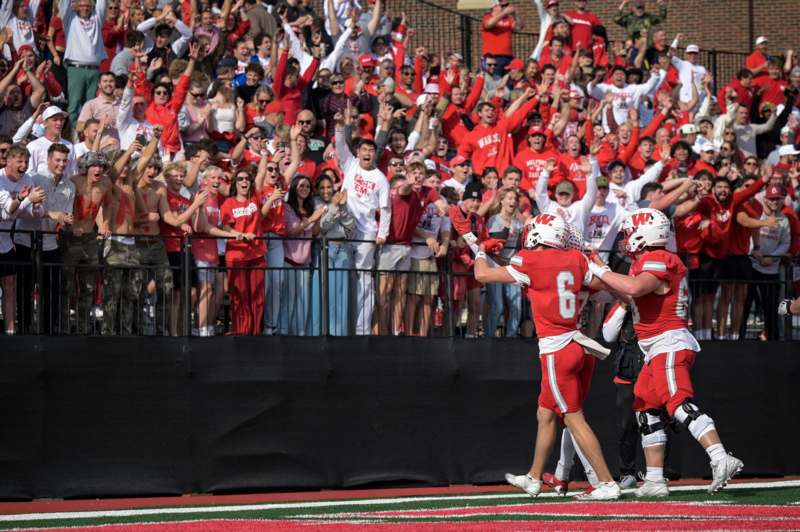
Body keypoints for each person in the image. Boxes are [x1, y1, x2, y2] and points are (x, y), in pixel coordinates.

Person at [588, 208, 744, 496]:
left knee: (678, 404)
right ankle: (655, 480)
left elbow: (635, 287)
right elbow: (632, 296)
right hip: (655, 347)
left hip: (668, 343)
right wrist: (599, 269)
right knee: (645, 410)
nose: (627, 238)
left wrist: (601, 270)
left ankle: (720, 457)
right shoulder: (649, 261)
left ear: (645, 234)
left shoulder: (657, 258)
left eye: (631, 232)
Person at [476, 213, 620, 500]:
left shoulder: (530, 260)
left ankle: (606, 482)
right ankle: (533, 477)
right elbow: (594, 284)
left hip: (556, 349)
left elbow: (482, 275)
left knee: (573, 418)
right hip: (578, 344)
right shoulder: (577, 260)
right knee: (545, 414)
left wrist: (481, 250)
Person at [334, 108, 391, 336]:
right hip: (345, 229)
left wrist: (382, 234)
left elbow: (385, 209)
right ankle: (343, 326)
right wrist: (340, 127)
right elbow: (340, 146)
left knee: (365, 280)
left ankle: (362, 329)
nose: (367, 153)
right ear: (357, 152)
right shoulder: (350, 164)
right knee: (344, 276)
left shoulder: (380, 178)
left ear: (375, 155)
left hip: (367, 233)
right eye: (364, 149)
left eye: (371, 150)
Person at [14, 143, 73, 334]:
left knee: (52, 291)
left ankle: (49, 331)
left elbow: (65, 215)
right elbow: (30, 210)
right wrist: (54, 215)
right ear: (48, 160)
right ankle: (23, 329)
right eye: (57, 160)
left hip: (49, 243)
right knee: (25, 290)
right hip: (26, 241)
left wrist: (67, 221)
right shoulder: (35, 179)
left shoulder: (70, 186)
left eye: (65, 160)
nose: (61, 164)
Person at [0, 144, 46, 335]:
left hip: (6, 243)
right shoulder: (0, 179)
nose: (24, 165)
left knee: (10, 286)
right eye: (19, 161)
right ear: (8, 161)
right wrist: (26, 199)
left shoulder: (27, 178)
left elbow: (36, 214)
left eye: (26, 162)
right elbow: (7, 213)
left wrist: (36, 206)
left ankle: (11, 331)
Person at [484, 188, 524, 337]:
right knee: (497, 307)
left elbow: (520, 248)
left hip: (512, 269)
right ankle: (488, 339)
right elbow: (491, 249)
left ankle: (511, 339)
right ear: (501, 200)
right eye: (509, 198)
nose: (512, 201)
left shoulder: (518, 223)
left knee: (516, 307)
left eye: (514, 199)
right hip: (495, 268)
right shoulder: (494, 220)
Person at [61, 0, 108, 124]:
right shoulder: (70, 19)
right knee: (74, 105)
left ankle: (90, 136)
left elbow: (102, 3)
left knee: (92, 106)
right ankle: (76, 136)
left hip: (94, 69)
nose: (85, 8)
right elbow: (64, 4)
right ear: (75, 6)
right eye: (81, 5)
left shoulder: (97, 18)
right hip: (76, 68)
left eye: (87, 6)